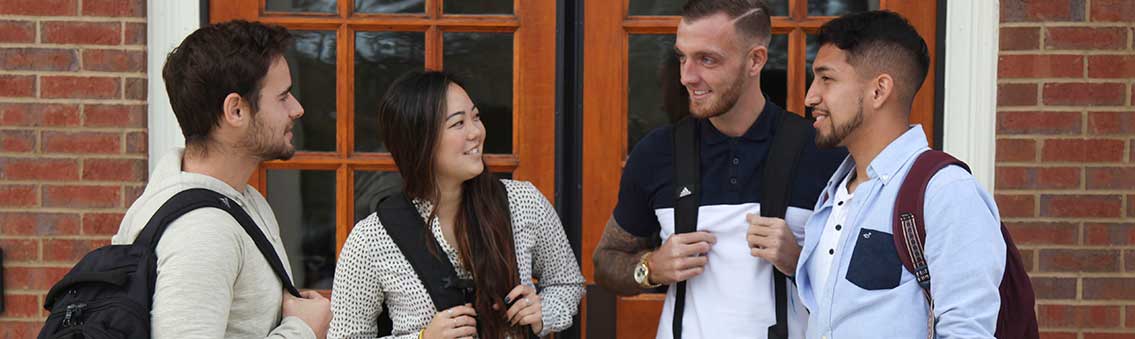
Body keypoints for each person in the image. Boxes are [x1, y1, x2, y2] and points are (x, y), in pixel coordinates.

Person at [591, 0, 846, 338]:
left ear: (755, 60)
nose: (686, 77)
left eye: (706, 59)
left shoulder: (823, 154)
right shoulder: (656, 154)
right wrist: (651, 267)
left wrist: (799, 260)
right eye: (682, 57)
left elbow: (866, 288)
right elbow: (606, 262)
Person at [112, 20, 331, 338]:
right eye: (282, 97)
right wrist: (303, 329)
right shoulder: (201, 233)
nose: (297, 109)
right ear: (236, 111)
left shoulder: (238, 201)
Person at [794, 10, 1006, 338]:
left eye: (827, 78)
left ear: (879, 91)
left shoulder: (946, 191)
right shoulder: (834, 194)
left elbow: (967, 331)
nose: (810, 97)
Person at [328, 70, 585, 339]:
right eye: (458, 123)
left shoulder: (524, 202)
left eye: (475, 117)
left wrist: (544, 311)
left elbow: (566, 282)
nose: (477, 132)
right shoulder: (371, 238)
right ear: (420, 142)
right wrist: (422, 338)